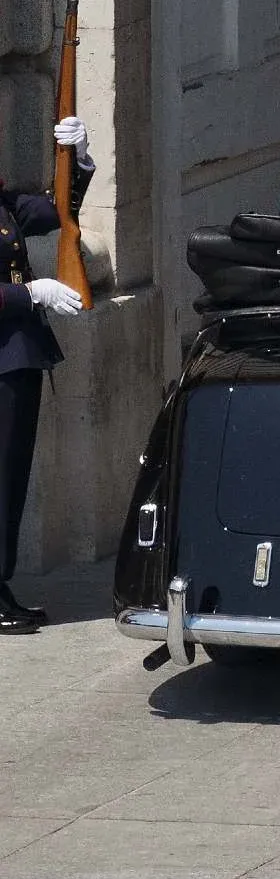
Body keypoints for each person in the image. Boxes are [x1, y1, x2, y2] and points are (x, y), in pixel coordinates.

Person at [0, 115, 95, 633]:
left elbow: (55, 210)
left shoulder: (5, 202)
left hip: (15, 358)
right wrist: (29, 294)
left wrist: (77, 160)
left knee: (10, 479)